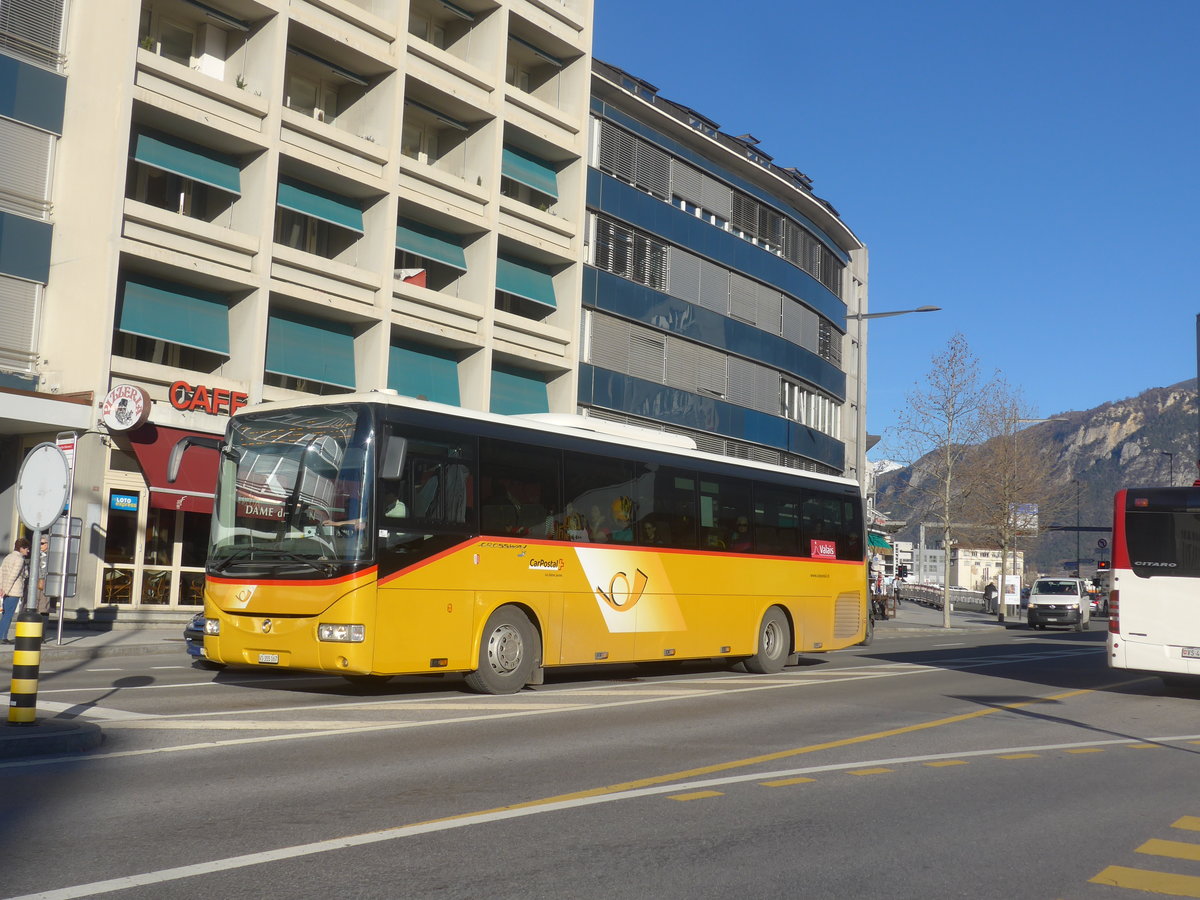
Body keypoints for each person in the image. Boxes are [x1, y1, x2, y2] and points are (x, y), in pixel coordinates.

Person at [0, 537, 31, 644]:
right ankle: (2, 637)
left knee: (4, 613)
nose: (28, 550)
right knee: (8, 614)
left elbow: (1, 573)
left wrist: (2, 588)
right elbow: (13, 576)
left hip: (5, 590)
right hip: (13, 591)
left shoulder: (8, 557)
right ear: (21, 548)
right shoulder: (19, 560)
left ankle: (1, 635)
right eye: (26, 548)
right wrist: (6, 590)